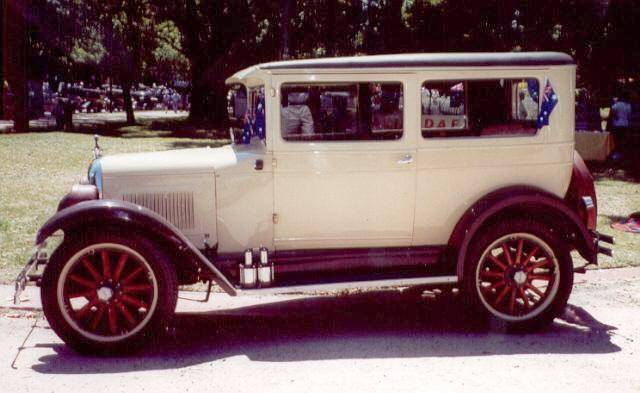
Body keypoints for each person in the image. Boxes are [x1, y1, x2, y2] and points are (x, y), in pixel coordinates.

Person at [610, 93, 632, 157]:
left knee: (617, 140)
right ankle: (623, 153)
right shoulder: (629, 105)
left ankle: (617, 154)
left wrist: (614, 102)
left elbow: (612, 112)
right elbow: (629, 115)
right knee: (623, 140)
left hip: (617, 125)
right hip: (625, 124)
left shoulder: (616, 105)